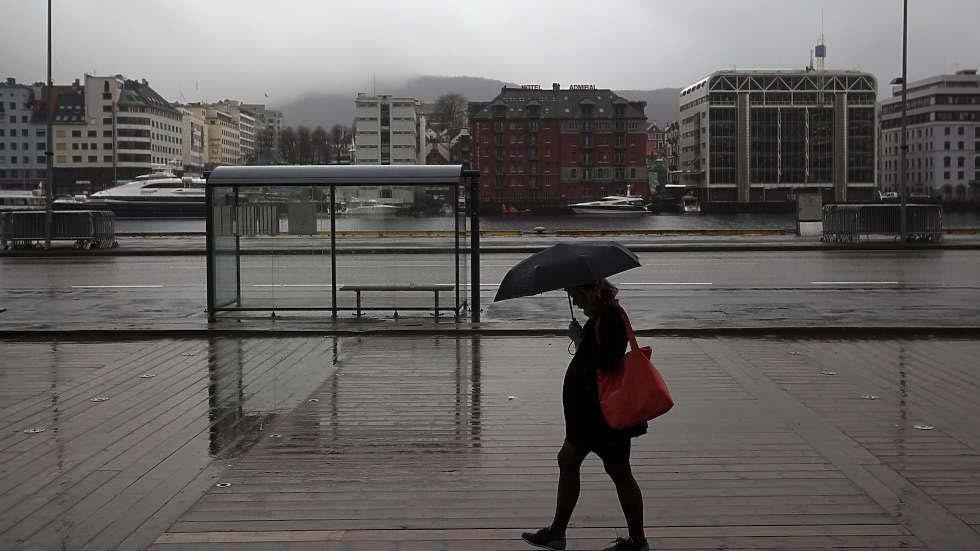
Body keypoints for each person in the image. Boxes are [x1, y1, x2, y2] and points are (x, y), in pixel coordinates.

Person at [522, 278, 649, 551]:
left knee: (612, 470)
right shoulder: (602, 317)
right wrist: (583, 337)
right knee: (578, 463)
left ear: (588, 292)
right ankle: (559, 532)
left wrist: (579, 340)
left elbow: (605, 363)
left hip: (600, 415)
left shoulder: (609, 317)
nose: (574, 301)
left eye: (574, 294)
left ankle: (636, 541)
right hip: (593, 414)